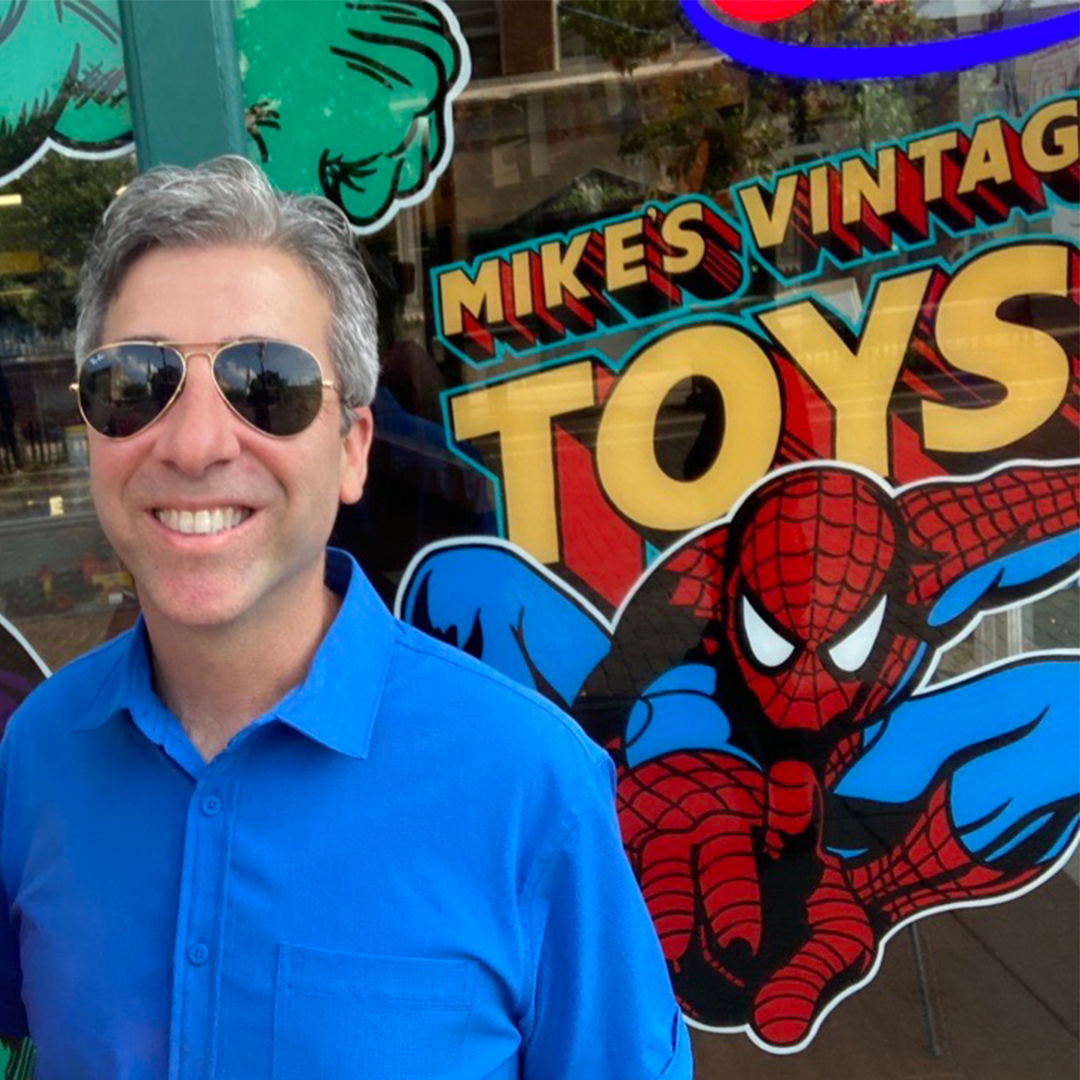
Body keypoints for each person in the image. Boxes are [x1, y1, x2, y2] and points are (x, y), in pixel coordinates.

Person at [0, 157, 692, 1079]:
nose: (198, 443)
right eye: (136, 382)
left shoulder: (532, 785)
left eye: (267, 384)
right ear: (93, 433)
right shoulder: (40, 753)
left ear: (354, 447)